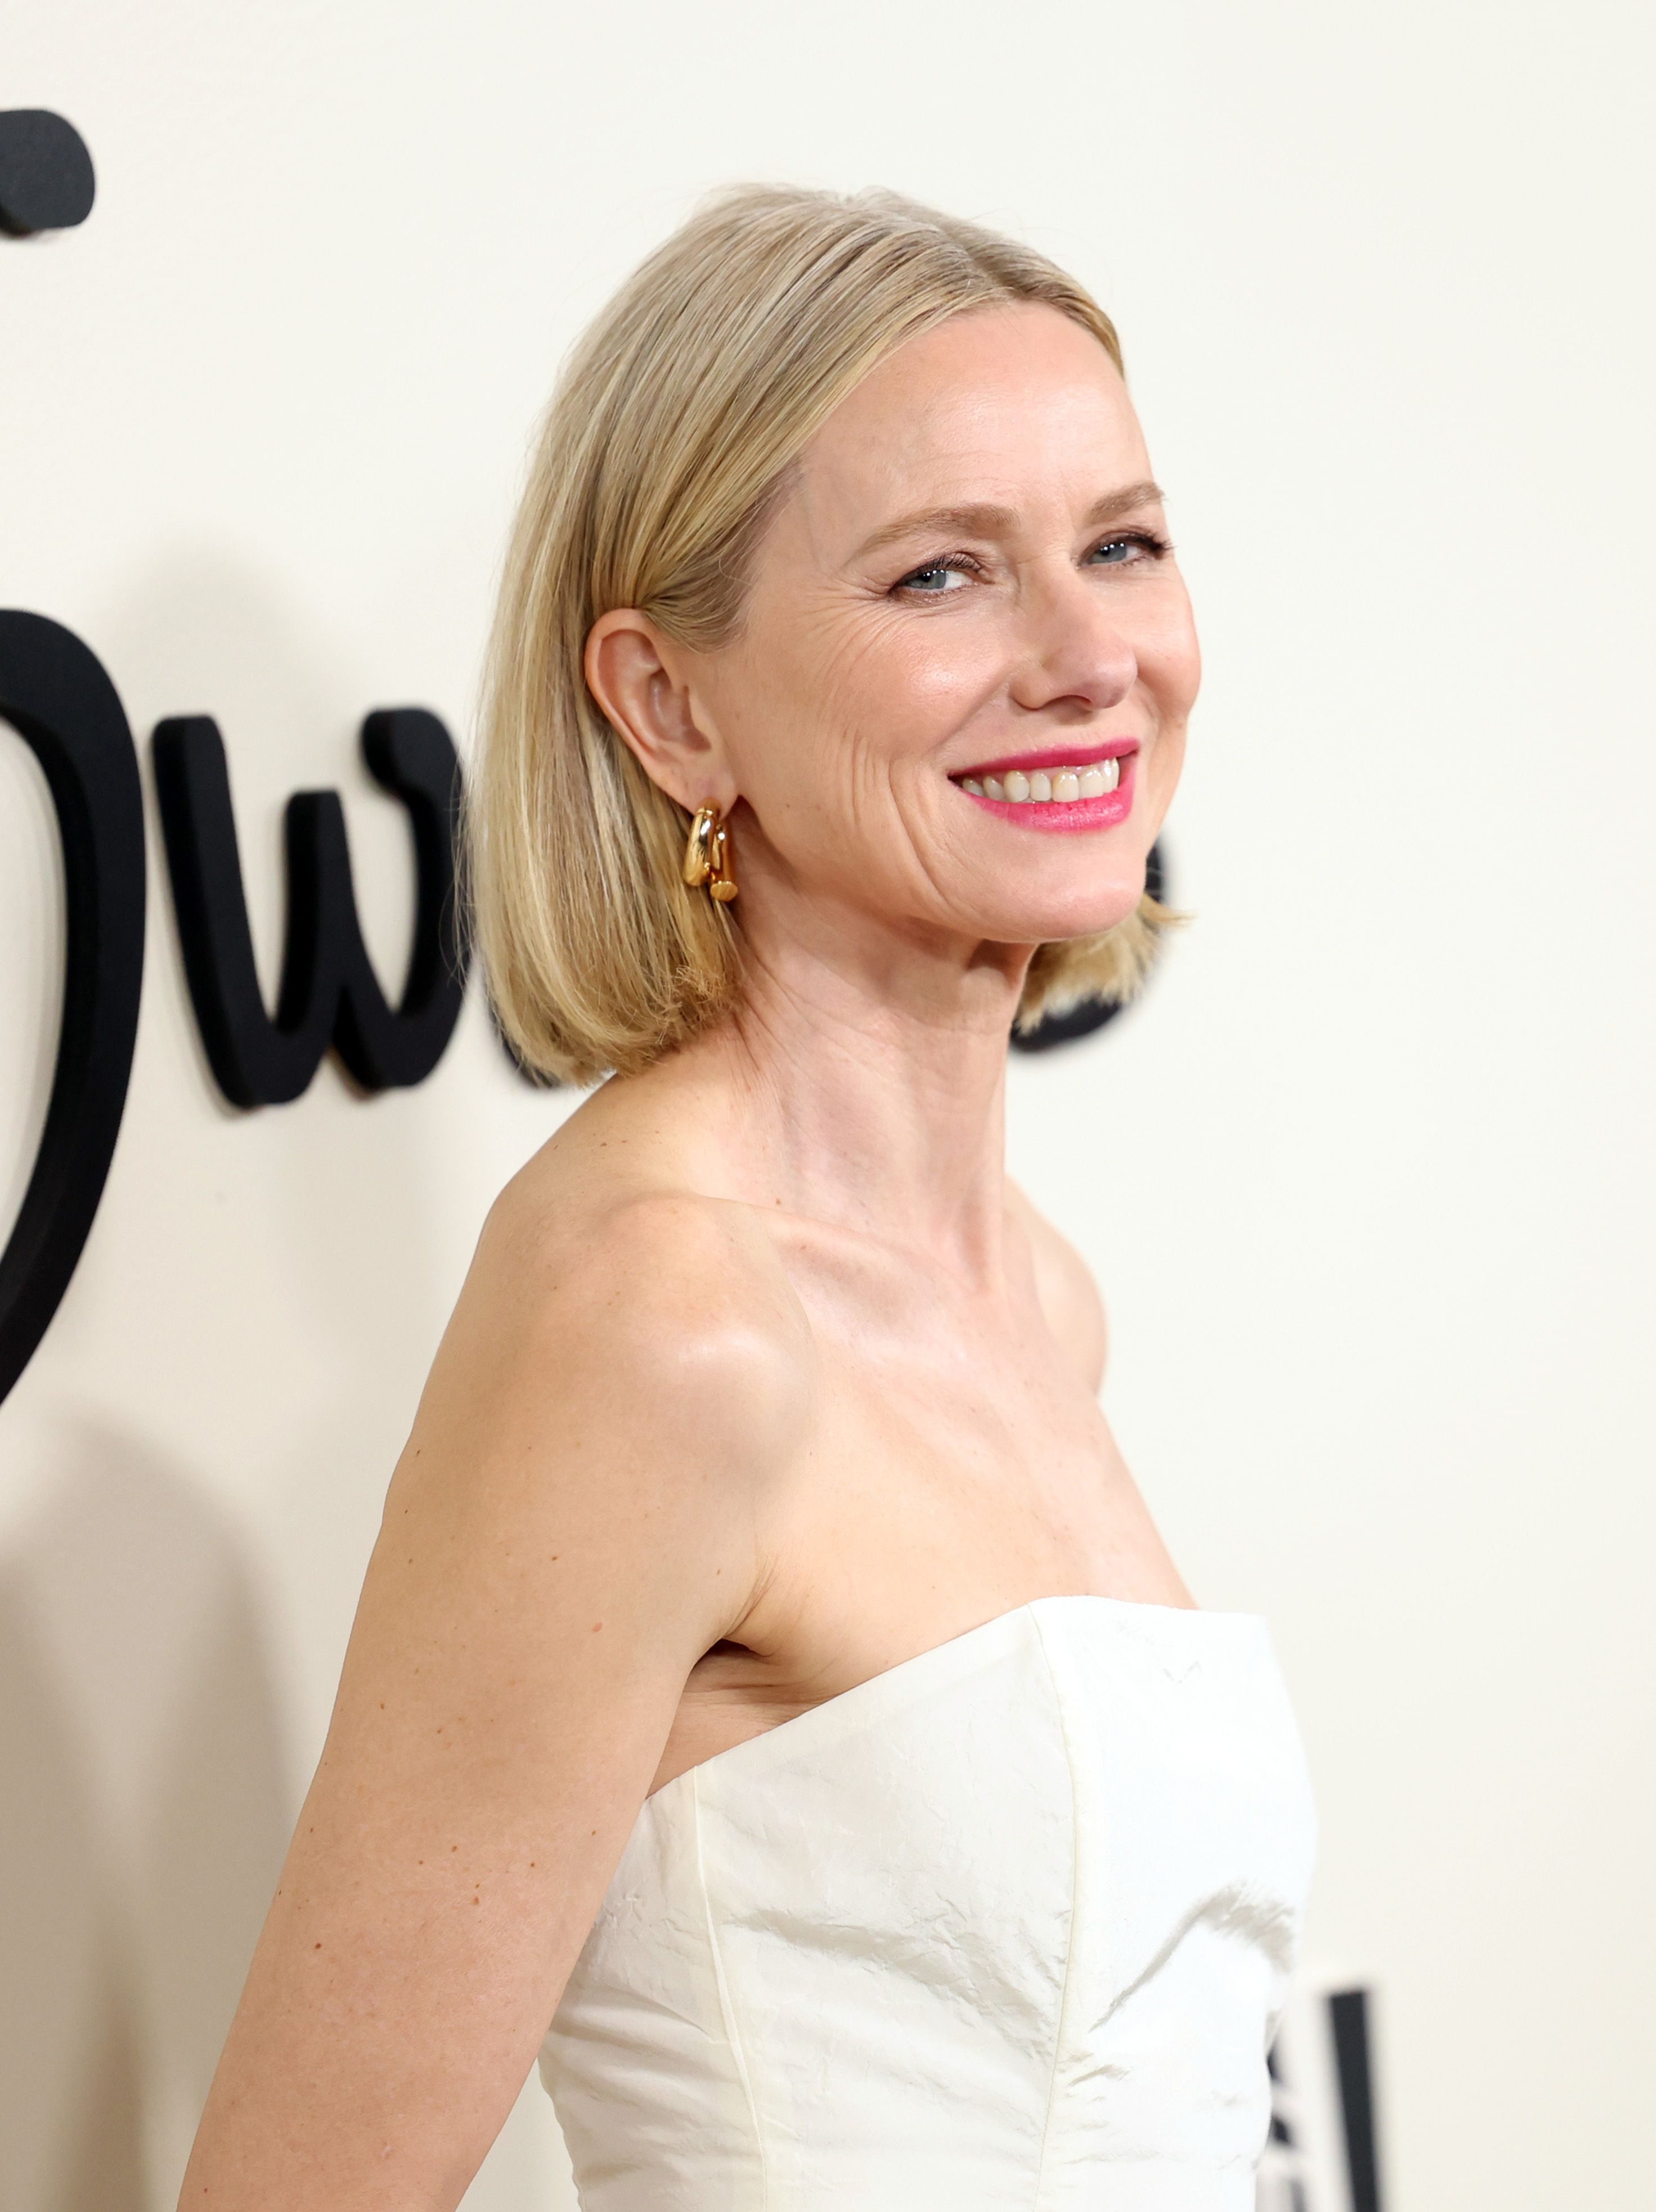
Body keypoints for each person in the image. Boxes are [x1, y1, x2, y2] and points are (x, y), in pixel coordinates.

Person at [178, 185, 1315, 2210]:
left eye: (1122, 544)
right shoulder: (660, 1320)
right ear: (668, 705)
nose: (1088, 659)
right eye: (944, 575)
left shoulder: (1041, 1303)